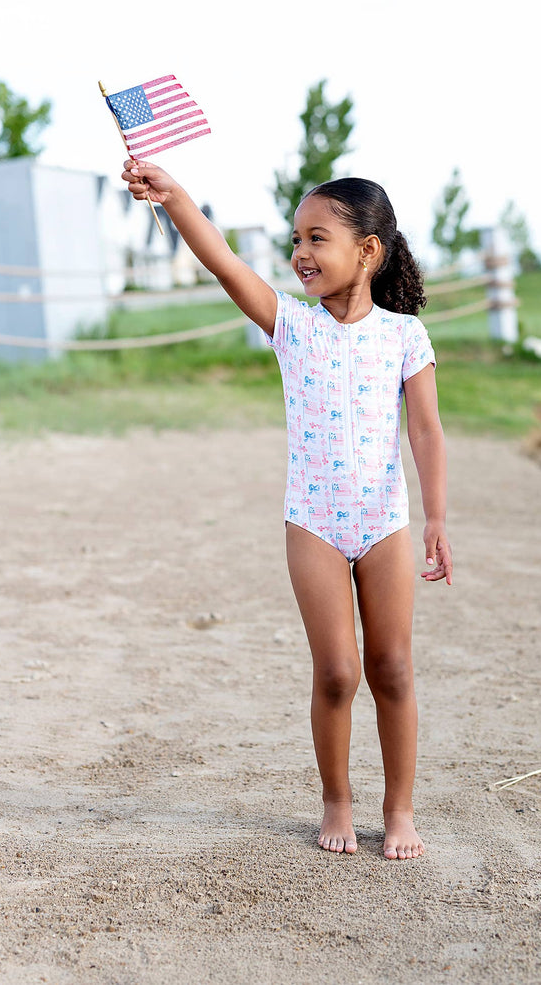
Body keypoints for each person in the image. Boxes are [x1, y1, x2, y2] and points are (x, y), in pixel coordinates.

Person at [122, 159, 452, 860]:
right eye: (296, 239)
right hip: (314, 521)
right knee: (337, 672)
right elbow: (222, 262)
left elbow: (425, 429)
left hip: (386, 521)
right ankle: (337, 800)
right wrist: (174, 194)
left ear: (367, 251)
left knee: (391, 667)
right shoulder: (290, 326)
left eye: (317, 238)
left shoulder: (404, 336)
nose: (300, 253)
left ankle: (400, 810)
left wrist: (436, 518)